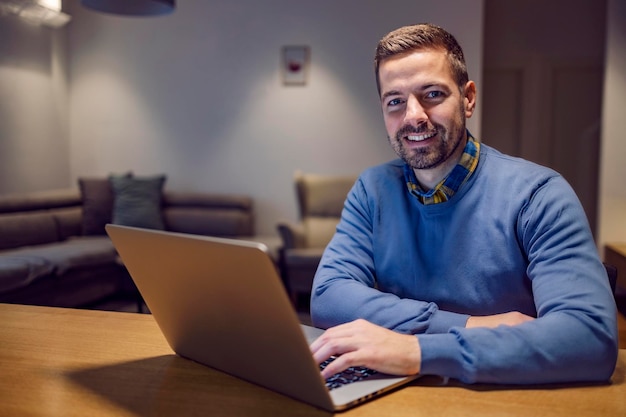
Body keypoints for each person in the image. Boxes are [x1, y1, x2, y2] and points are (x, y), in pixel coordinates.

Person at [309, 23, 618, 384]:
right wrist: (468, 326)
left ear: (468, 98)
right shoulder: (372, 189)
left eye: (433, 94)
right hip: (401, 398)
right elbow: (329, 297)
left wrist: (417, 351)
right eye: (395, 101)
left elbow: (589, 338)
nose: (413, 117)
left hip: (509, 399)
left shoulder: (540, 195)